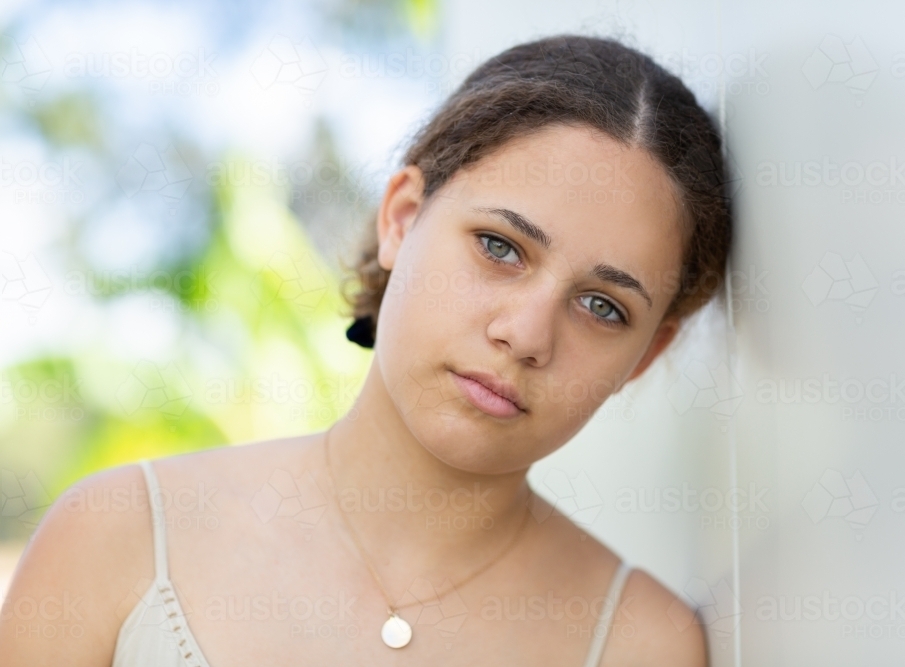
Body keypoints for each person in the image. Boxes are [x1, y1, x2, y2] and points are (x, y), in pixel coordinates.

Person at [0, 33, 731, 666]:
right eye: (500, 247)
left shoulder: (641, 643)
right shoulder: (118, 536)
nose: (527, 334)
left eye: (603, 306)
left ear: (646, 355)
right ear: (401, 220)